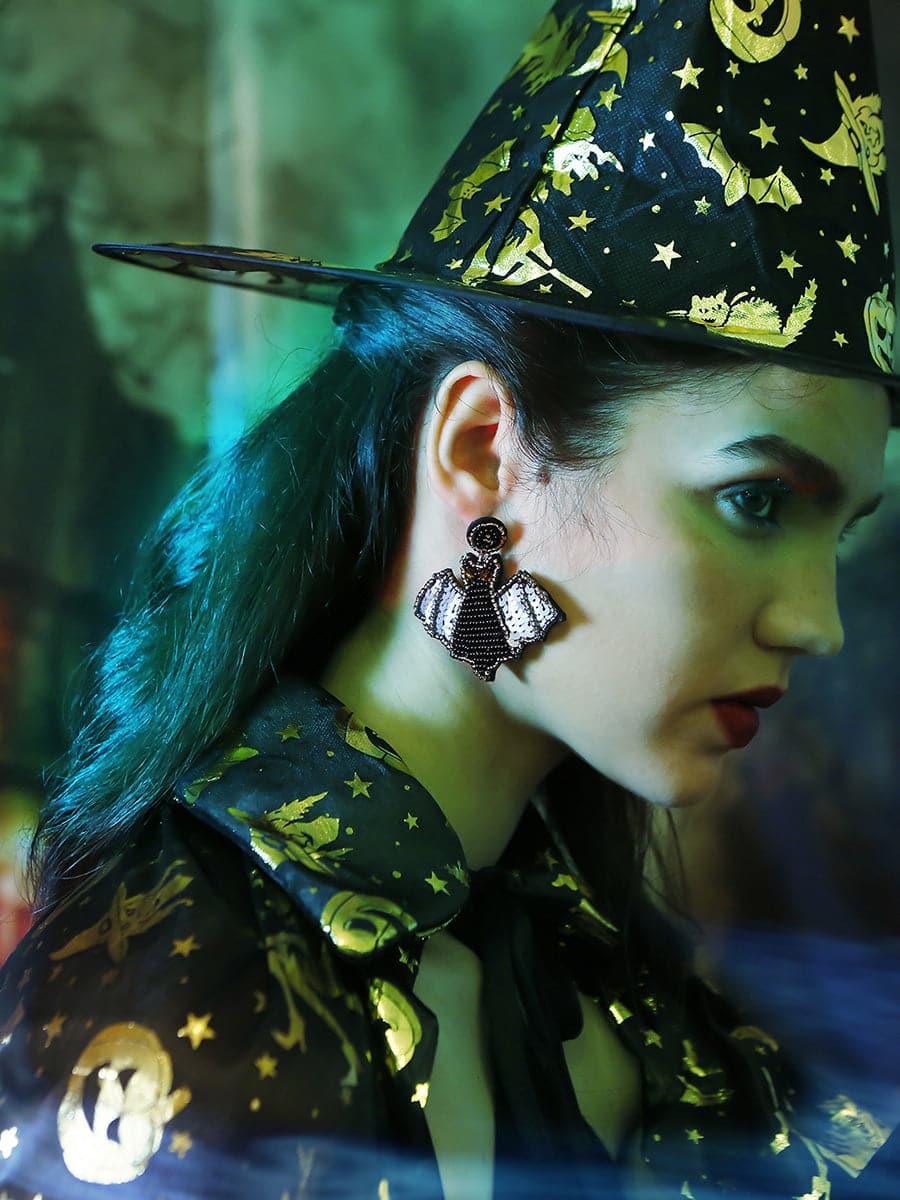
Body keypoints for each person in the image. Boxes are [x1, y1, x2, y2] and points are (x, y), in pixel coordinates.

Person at [1, 1, 898, 1197]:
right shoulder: (183, 1005)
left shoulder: (615, 981)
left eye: (841, 530)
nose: (815, 621)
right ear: (482, 449)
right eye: (757, 501)